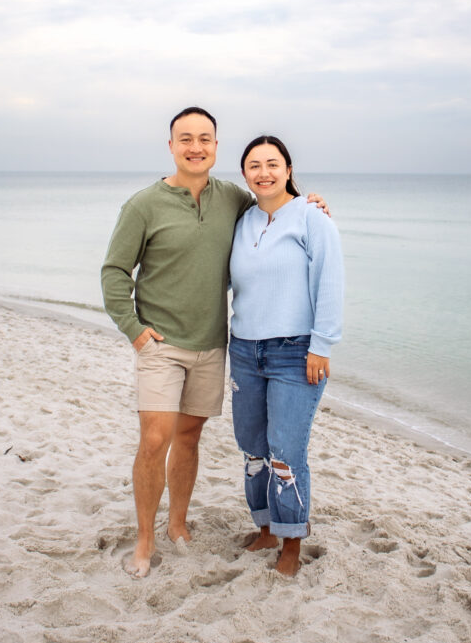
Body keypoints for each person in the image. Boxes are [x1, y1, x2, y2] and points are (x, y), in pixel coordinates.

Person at [102, 108, 328, 577]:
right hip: (160, 344)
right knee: (154, 439)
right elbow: (114, 272)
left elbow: (275, 208)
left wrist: (310, 204)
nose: (195, 146)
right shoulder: (143, 204)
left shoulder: (232, 199)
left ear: (217, 147)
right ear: (171, 146)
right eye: (185, 138)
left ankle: (178, 525)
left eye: (205, 138)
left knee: (188, 437)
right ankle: (144, 540)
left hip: (214, 344)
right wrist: (135, 330)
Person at [229, 135, 343, 577]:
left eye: (273, 163)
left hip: (295, 352)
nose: (264, 172)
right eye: (254, 166)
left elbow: (329, 282)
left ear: (289, 169)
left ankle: (292, 541)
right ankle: (266, 528)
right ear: (244, 175)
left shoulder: (313, 217)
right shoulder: (243, 220)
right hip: (244, 349)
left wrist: (322, 345)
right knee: (253, 449)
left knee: (285, 453)